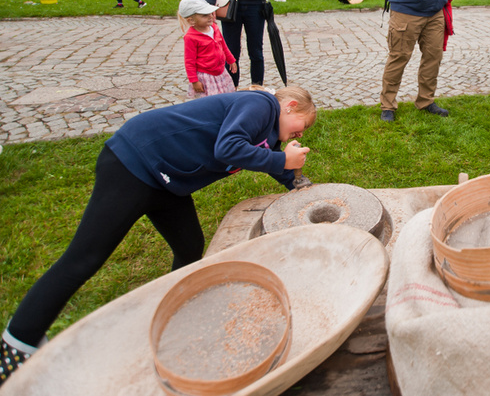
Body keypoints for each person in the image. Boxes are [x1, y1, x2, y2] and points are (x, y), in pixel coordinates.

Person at [0, 86, 315, 386]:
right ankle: (15, 347)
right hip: (133, 163)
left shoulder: (264, 129)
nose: (301, 134)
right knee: (83, 259)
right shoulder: (260, 104)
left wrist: (301, 187)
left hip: (167, 179)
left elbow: (266, 157)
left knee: (190, 246)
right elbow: (229, 147)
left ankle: (171, 321)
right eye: (303, 124)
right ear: (289, 106)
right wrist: (282, 159)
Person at [178, 0, 237, 99]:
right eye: (205, 15)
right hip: (206, 76)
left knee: (225, 96)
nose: (210, 16)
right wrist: (194, 81)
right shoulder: (191, 37)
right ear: (191, 20)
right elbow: (189, 62)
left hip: (221, 72)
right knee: (211, 101)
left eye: (210, 13)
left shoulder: (214, 28)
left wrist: (231, 60)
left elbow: (223, 46)